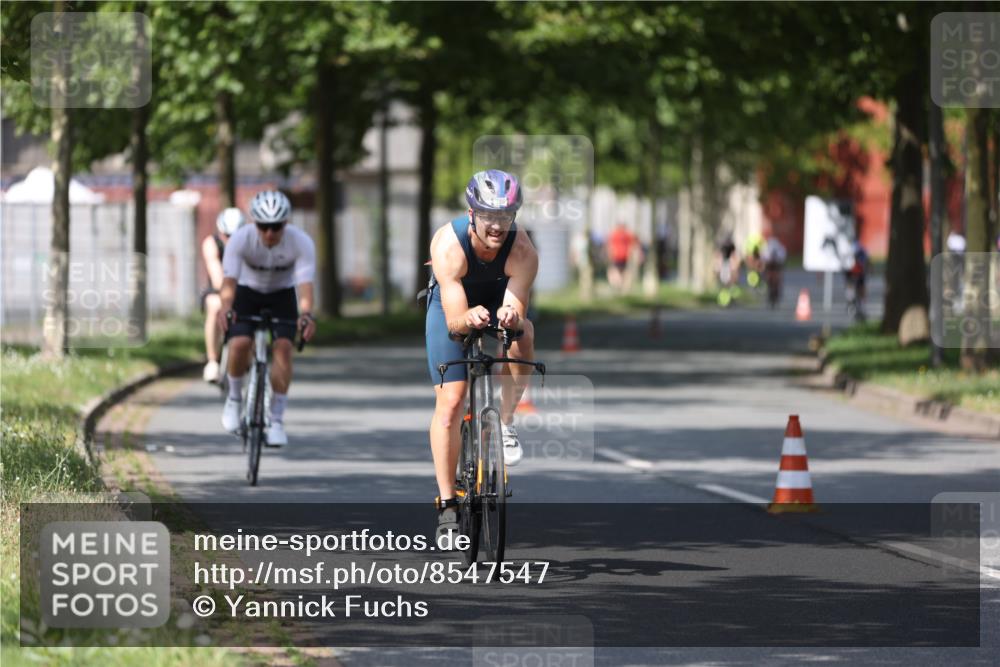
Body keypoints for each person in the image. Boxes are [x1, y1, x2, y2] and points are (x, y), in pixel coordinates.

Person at [424, 170, 538, 539]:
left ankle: (505, 424)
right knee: (452, 402)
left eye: (506, 217)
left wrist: (510, 316)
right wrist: (465, 318)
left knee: (525, 333)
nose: (498, 226)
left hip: (495, 299)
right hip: (450, 307)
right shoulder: (448, 245)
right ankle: (447, 505)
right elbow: (456, 323)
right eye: (490, 216)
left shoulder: (522, 251)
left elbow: (516, 310)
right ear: (472, 213)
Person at [217, 191, 317, 448]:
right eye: (263, 226)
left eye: (276, 226)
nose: (270, 233)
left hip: (282, 295)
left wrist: (306, 315)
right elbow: (228, 284)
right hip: (247, 292)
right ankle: (235, 399)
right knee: (239, 343)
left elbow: (305, 287)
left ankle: (277, 420)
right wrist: (225, 308)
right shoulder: (240, 240)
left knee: (283, 349)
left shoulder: (301, 242)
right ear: (254, 224)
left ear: (286, 223)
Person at [201, 208, 246, 383]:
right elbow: (218, 278)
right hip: (219, 289)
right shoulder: (211, 243)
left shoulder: (251, 243)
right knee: (214, 306)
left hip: (245, 288)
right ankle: (212, 361)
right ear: (220, 232)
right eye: (227, 236)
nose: (231, 240)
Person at [606, 223, 636, 294]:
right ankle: (623, 287)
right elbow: (632, 245)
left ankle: (618, 285)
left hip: (617, 256)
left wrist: (610, 255)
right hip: (625, 256)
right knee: (624, 272)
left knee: (615, 271)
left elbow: (610, 246)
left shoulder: (614, 234)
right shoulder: (628, 234)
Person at [845, 240, 869, 322]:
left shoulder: (861, 249)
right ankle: (851, 303)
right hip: (851, 271)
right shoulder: (848, 247)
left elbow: (866, 260)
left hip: (859, 272)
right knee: (850, 286)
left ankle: (861, 306)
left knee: (860, 289)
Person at [762, 236, 787, 308]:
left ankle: (776, 294)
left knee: (777, 280)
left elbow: (782, 262)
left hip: (777, 266)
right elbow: (764, 261)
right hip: (770, 267)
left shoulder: (780, 250)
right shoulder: (766, 249)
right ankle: (770, 294)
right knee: (769, 280)